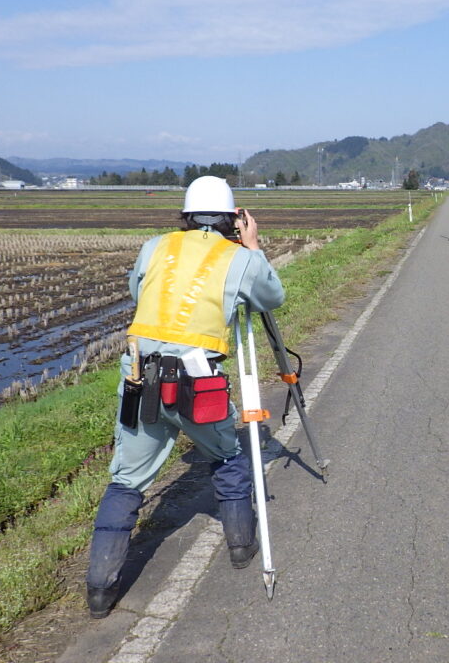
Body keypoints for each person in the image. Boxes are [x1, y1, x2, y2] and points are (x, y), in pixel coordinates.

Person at [86, 175, 285, 619]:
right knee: (229, 454)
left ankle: (99, 591)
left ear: (187, 215)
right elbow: (274, 297)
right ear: (235, 218)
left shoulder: (156, 245)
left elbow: (138, 292)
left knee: (126, 479)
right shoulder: (239, 256)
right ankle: (240, 547)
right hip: (198, 380)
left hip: (140, 375)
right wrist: (253, 248)